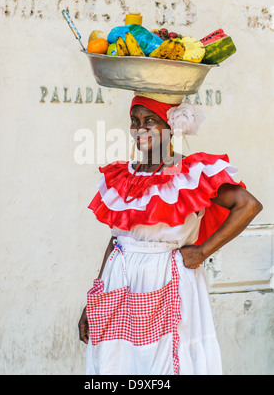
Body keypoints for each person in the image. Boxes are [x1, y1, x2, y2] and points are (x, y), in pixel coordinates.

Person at [78, 92, 262, 375]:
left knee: (166, 361)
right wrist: (94, 302)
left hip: (167, 277)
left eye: (150, 120)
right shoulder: (125, 176)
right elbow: (118, 240)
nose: (140, 128)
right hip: (120, 282)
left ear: (170, 126)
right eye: (135, 120)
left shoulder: (188, 172)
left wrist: (202, 252)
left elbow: (248, 205)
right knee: (119, 363)